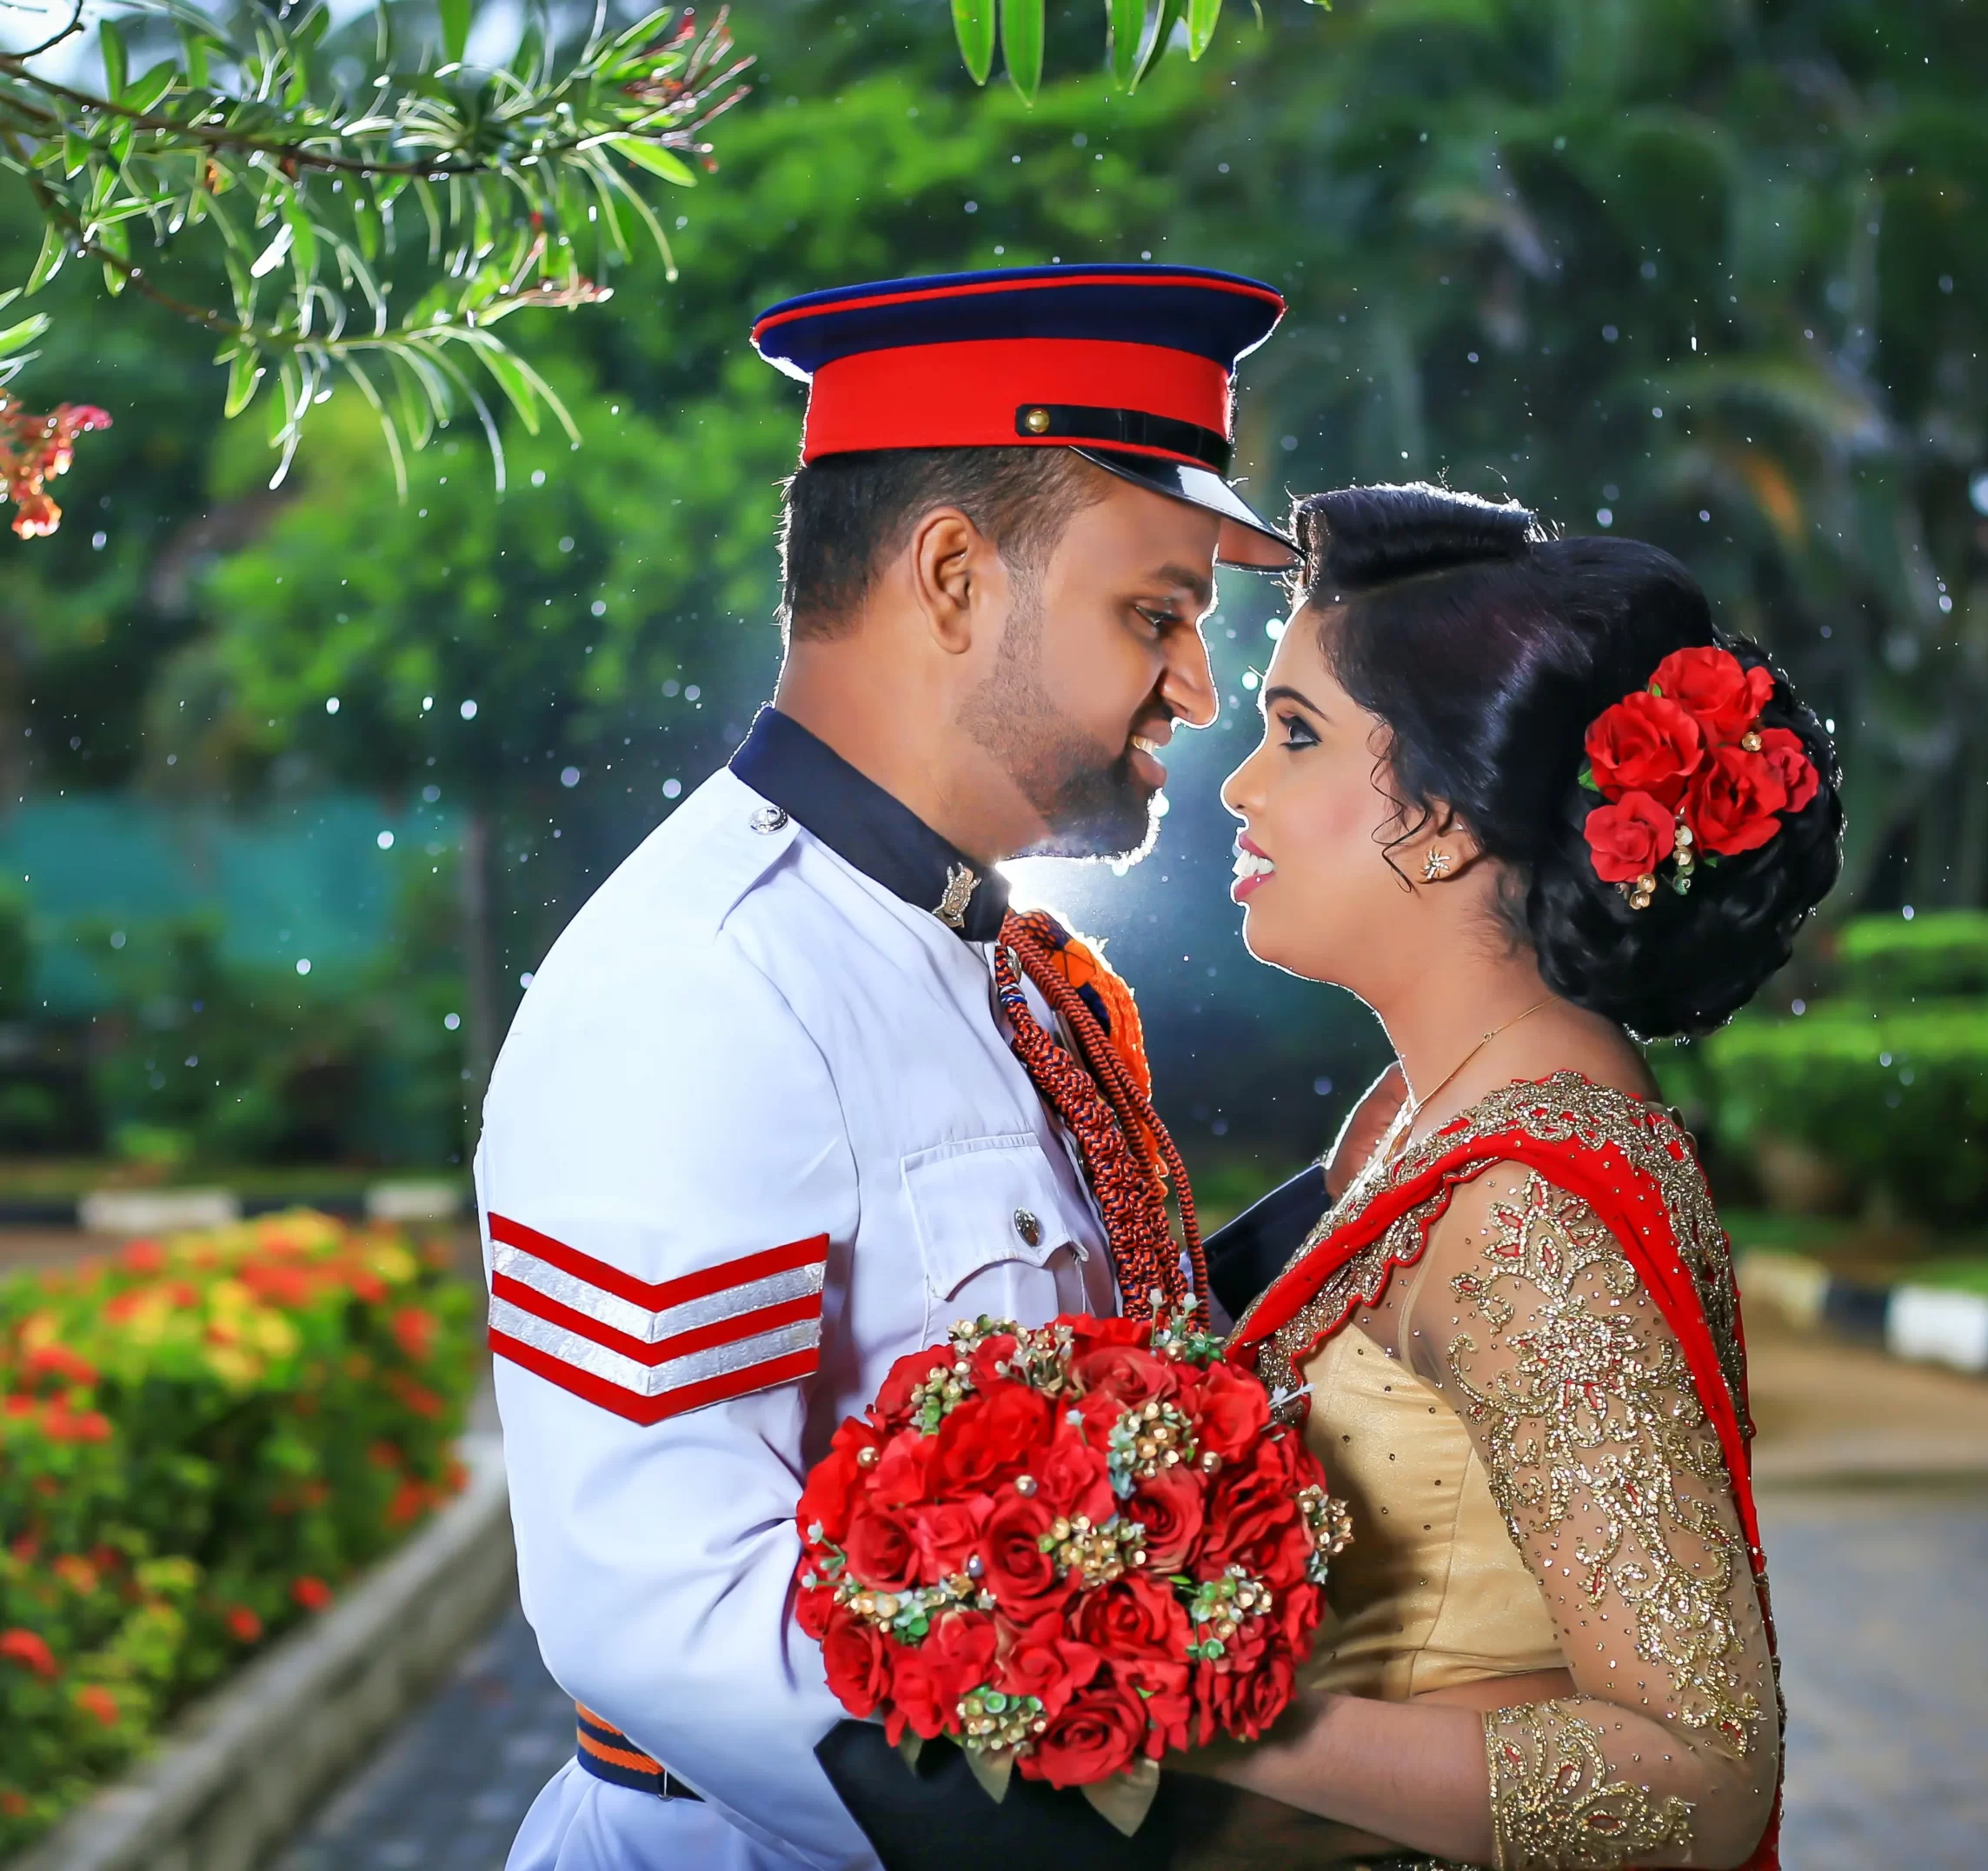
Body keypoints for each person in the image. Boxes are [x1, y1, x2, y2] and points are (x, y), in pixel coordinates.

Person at [474, 263, 1322, 1871]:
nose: (1197, 690)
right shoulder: (701, 981)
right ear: (953, 578)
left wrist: (1403, 1189)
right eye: (1156, 613)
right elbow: (661, 1606)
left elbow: (1106, 1359)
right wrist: (1144, 1856)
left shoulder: (989, 955)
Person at [1174, 482, 1843, 1868]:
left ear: (1442, 818)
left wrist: (1207, 1718)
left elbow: (1699, 1777)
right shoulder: (1415, 1113)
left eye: (1295, 734)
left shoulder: (1526, 1209)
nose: (1239, 785)